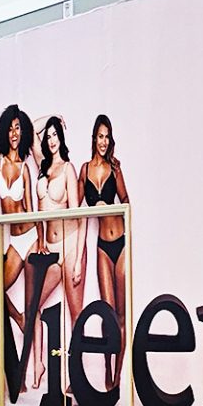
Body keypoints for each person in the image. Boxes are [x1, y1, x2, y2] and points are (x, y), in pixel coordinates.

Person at [0, 105, 44, 389]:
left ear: (23, 132)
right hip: (14, 242)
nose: (14, 133)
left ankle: (25, 374)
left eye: (18, 128)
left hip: (29, 238)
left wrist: (41, 240)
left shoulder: (26, 168)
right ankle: (17, 318)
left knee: (32, 303)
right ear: (4, 131)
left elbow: (32, 208)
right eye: (10, 128)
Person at [82, 114, 129, 390]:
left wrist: (113, 210)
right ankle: (107, 369)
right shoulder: (84, 170)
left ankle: (117, 377)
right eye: (100, 136)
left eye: (107, 137)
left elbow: (126, 201)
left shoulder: (115, 168)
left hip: (120, 243)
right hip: (101, 246)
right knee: (107, 313)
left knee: (121, 314)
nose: (104, 141)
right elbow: (76, 208)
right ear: (94, 138)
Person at [37, 116, 85, 352]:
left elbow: (80, 216)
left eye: (55, 134)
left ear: (61, 137)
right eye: (48, 136)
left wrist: (78, 261)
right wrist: (52, 116)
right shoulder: (42, 166)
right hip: (50, 248)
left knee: (76, 315)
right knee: (34, 305)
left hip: (70, 245)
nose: (51, 140)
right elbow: (31, 128)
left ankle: (76, 371)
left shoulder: (68, 168)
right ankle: (39, 365)